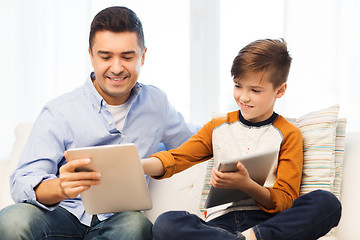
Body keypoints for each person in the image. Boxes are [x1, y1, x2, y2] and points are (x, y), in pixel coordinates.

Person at [0, 6, 196, 240]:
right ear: (91, 56)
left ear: (142, 56)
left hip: (120, 219)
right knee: (11, 221)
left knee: (136, 225)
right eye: (105, 57)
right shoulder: (60, 111)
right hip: (64, 213)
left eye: (127, 56)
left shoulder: (157, 104)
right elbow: (23, 180)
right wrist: (61, 187)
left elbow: (192, 143)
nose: (116, 67)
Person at [142, 39, 342, 240]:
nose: (243, 97)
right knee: (166, 224)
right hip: (220, 226)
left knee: (327, 203)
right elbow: (176, 159)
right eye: (238, 86)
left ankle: (252, 237)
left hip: (268, 224)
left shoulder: (288, 134)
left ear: (280, 90)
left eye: (255, 90)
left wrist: (247, 185)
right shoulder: (217, 127)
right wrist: (137, 166)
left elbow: (284, 201)